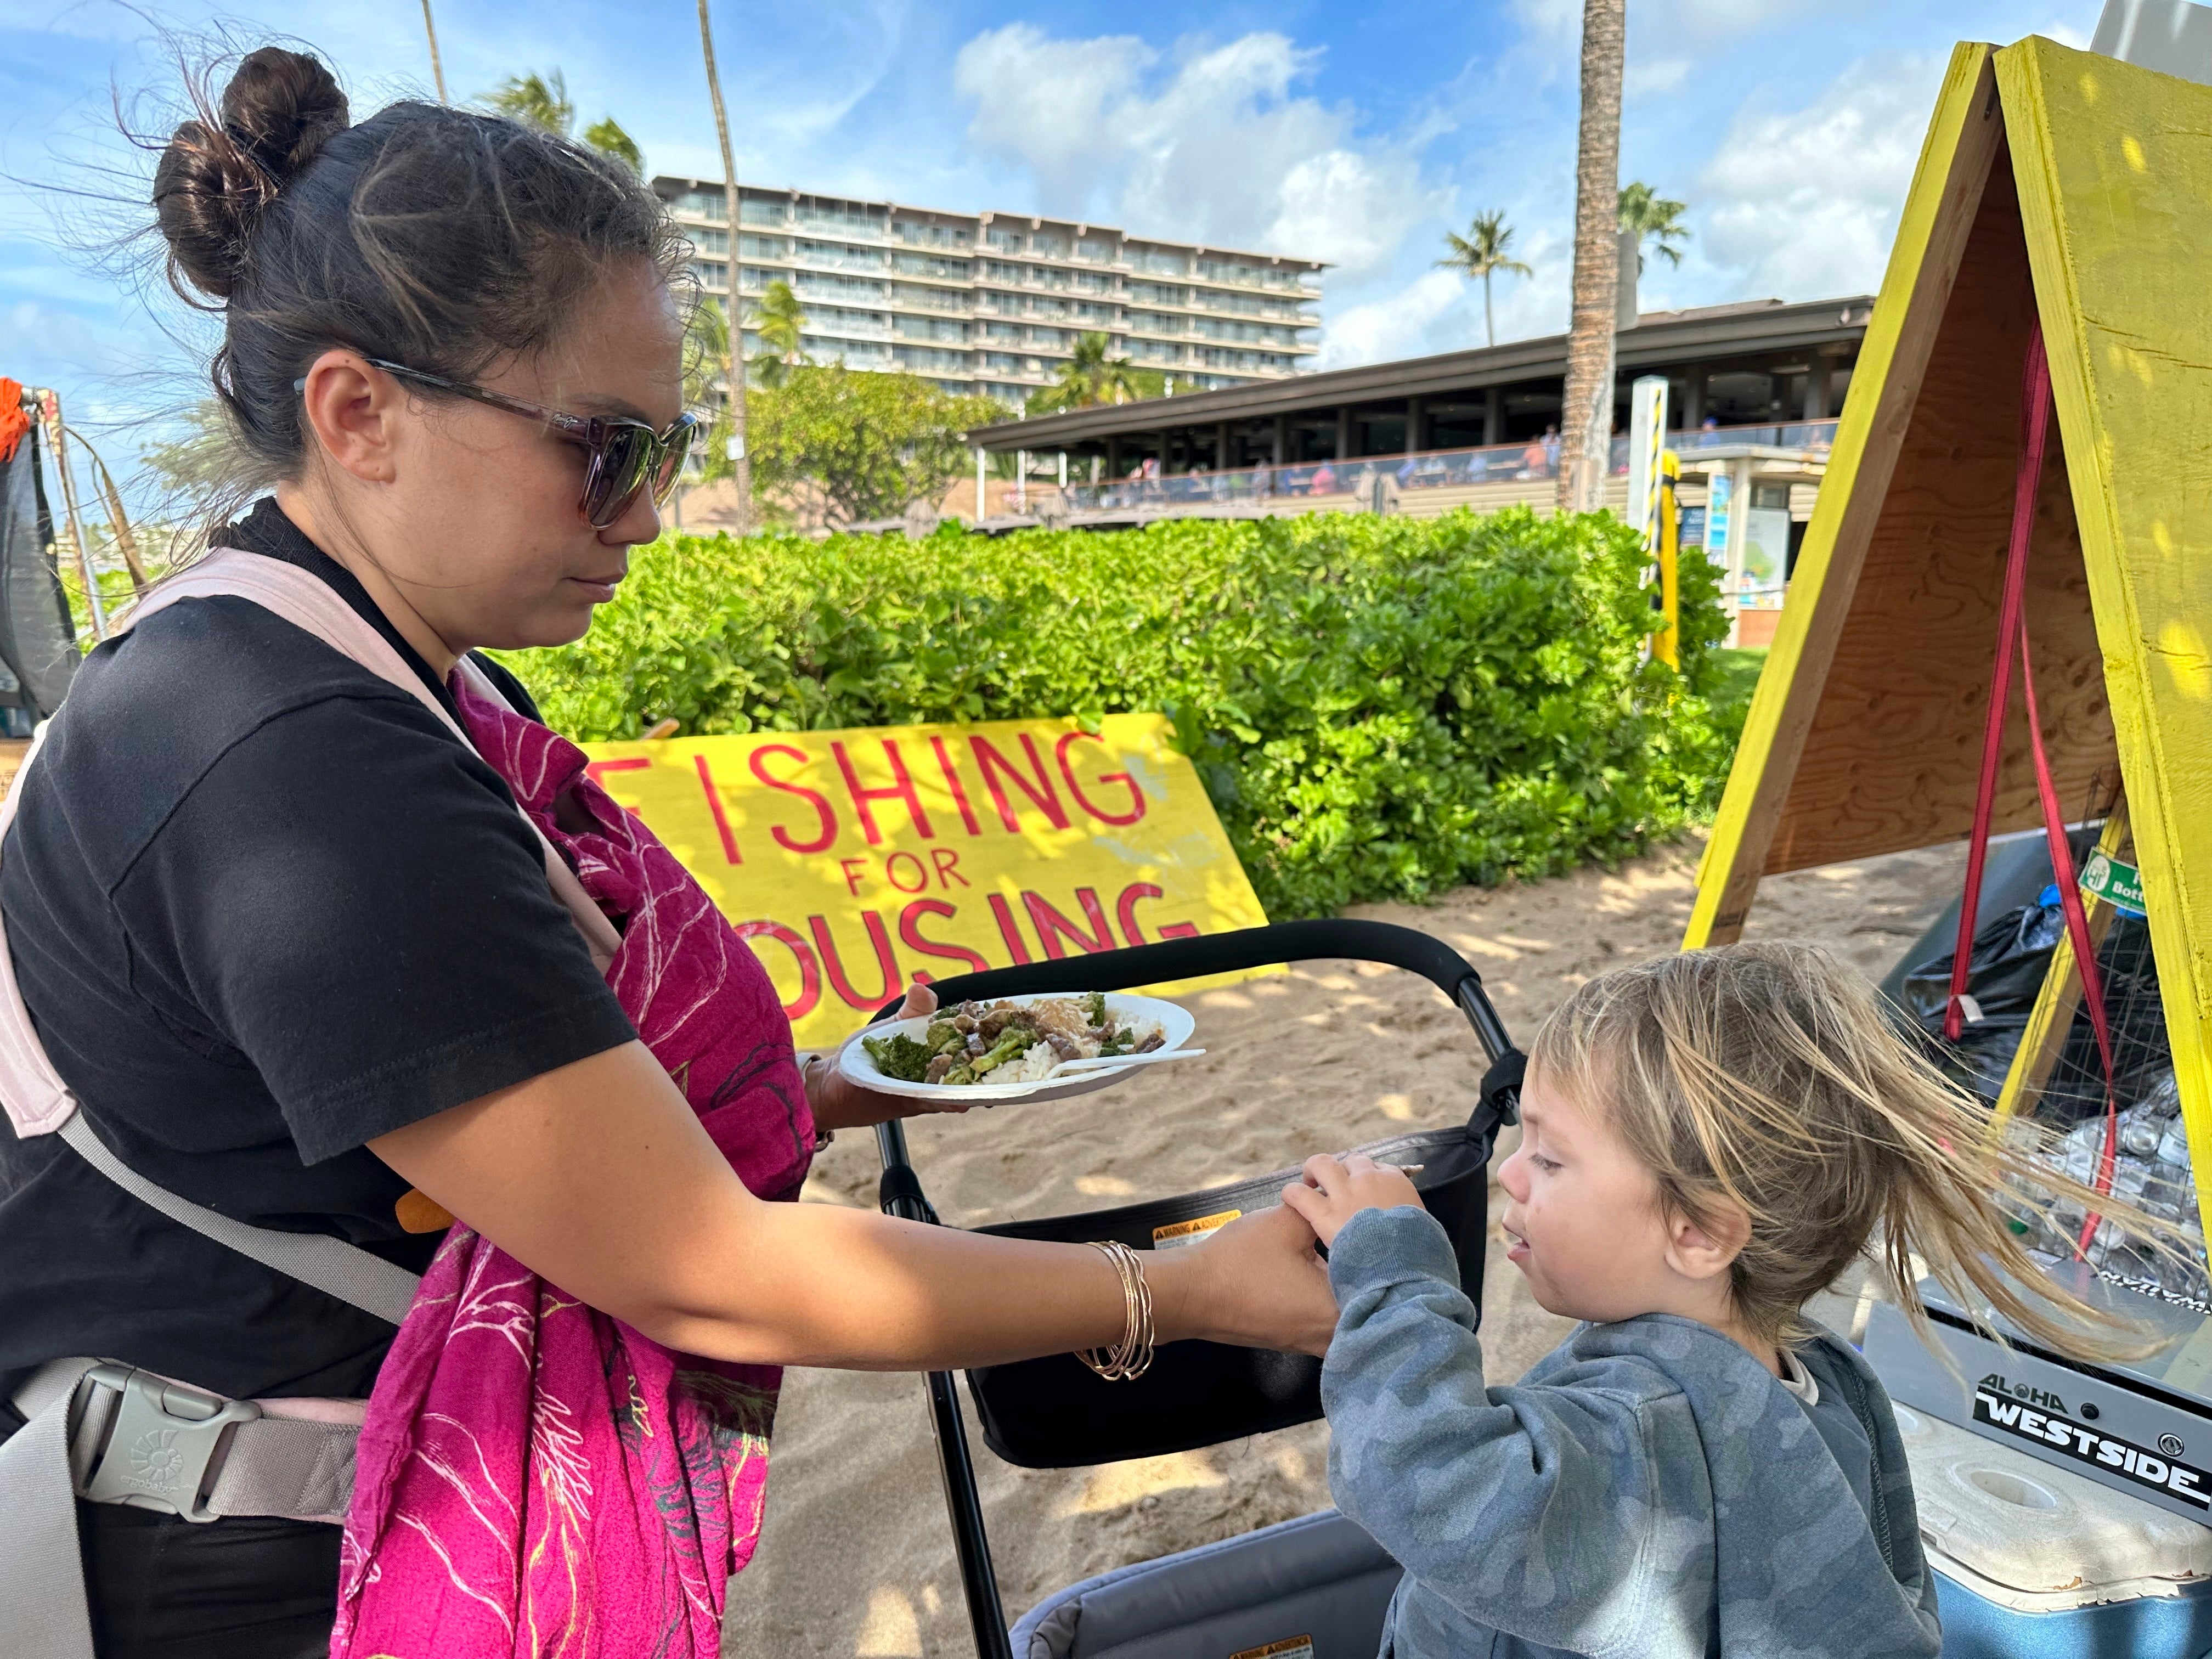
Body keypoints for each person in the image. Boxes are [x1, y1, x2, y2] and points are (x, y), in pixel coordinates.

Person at [0, 48, 1334, 1659]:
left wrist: (843, 1085)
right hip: (268, 1566)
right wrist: (1173, 1291)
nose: (642, 514)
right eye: (602, 448)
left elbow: (460, 1110)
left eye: (665, 450)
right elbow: (705, 1274)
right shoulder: (291, 762)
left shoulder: (360, 663)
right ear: (360, 416)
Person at [1269, 942, 2181, 1659]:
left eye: (1551, 1159)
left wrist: (1388, 1273)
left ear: (1700, 1235)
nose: (1511, 1172)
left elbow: (1427, 1481)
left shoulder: (1643, 1430)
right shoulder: (1833, 1379)